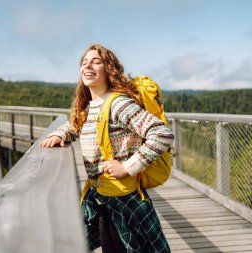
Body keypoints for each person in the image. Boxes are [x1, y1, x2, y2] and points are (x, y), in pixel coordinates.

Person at [40, 44, 174, 253]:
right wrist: (60, 134)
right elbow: (76, 125)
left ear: (108, 69)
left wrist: (128, 167)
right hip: (102, 196)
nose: (88, 66)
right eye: (84, 63)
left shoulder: (118, 104)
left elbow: (162, 134)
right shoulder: (90, 106)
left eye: (96, 61)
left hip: (124, 199)